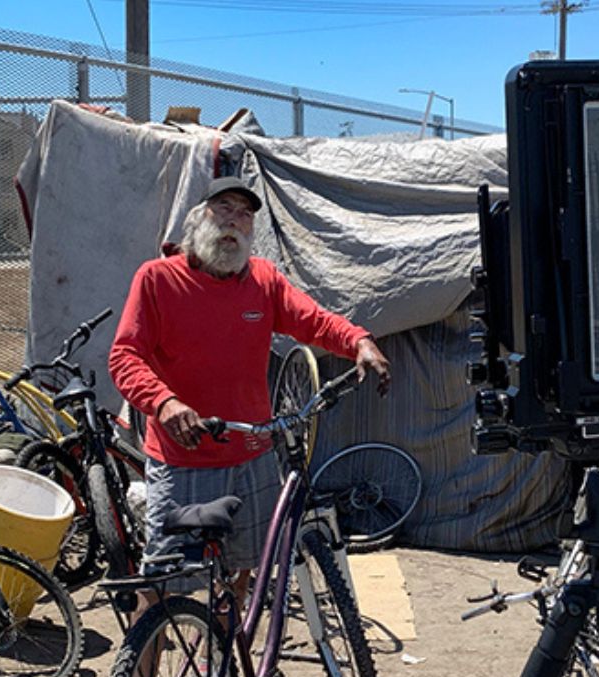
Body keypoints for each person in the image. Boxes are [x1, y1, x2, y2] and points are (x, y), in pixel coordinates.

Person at [109, 175, 390, 596]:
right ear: (198, 217)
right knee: (163, 589)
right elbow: (124, 356)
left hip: (253, 455)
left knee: (244, 572)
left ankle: (225, 658)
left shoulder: (263, 279)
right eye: (225, 209)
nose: (235, 223)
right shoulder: (157, 279)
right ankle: (140, 664)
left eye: (245, 216)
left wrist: (358, 341)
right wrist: (164, 404)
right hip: (185, 459)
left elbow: (312, 319)